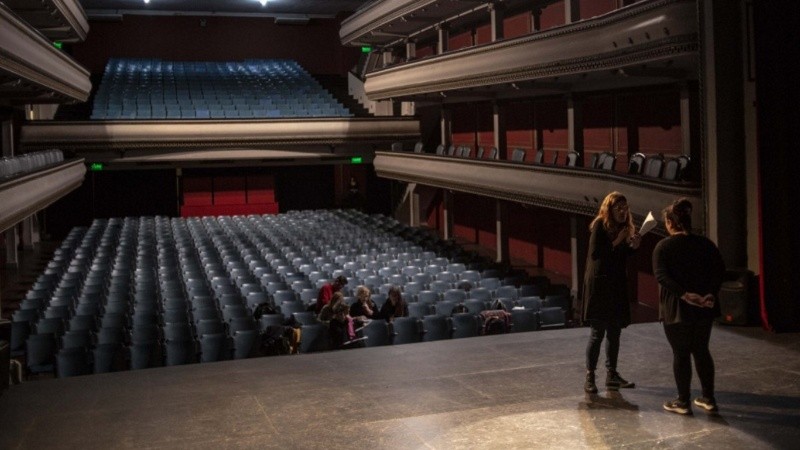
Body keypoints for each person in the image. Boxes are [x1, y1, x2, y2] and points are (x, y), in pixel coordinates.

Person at [653, 198, 725, 415]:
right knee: (702, 350)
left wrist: (685, 295)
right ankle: (708, 398)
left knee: (681, 353)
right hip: (705, 307)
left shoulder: (663, 246)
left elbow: (661, 276)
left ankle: (683, 401)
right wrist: (709, 293)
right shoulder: (706, 244)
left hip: (676, 308)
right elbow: (719, 270)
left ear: (669, 222)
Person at [582, 191, 641, 394]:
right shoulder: (600, 224)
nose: (623, 212)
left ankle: (612, 375)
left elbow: (620, 257)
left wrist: (633, 246)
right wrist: (618, 240)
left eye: (625, 208)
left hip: (616, 285)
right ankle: (590, 376)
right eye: (619, 208)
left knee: (615, 332)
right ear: (609, 209)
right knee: (598, 333)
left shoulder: (624, 228)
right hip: (600, 286)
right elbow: (596, 254)